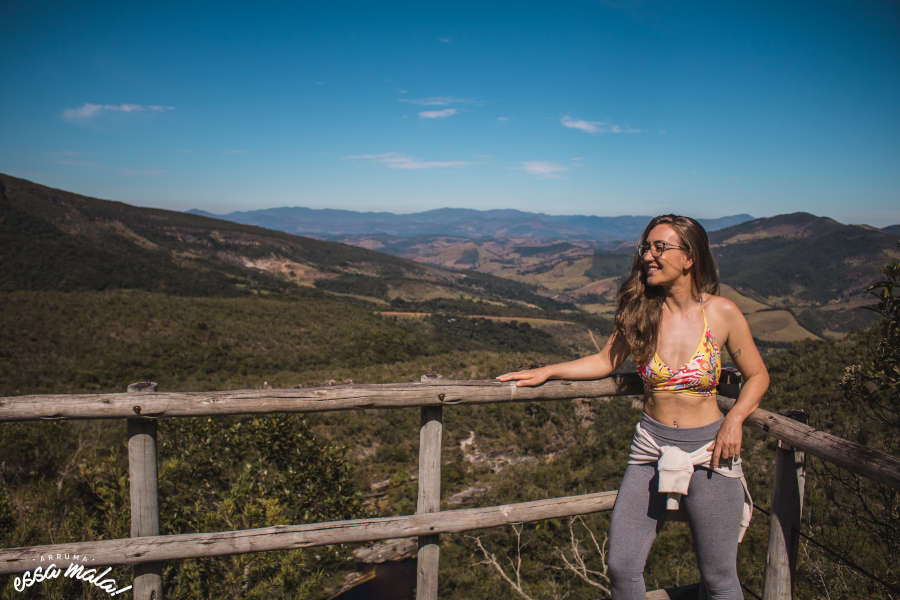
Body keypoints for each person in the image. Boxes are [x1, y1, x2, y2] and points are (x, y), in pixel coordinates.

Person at [497, 214, 769, 599]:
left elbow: (758, 375)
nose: (649, 256)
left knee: (719, 577)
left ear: (690, 258)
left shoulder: (722, 314)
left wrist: (735, 419)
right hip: (649, 448)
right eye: (646, 247)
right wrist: (548, 371)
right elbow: (606, 361)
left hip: (711, 450)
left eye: (661, 247)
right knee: (622, 567)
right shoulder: (642, 312)